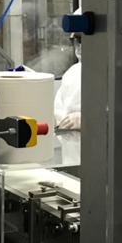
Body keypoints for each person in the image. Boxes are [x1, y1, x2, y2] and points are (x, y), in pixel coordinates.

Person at [53, 18, 82, 166]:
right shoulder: (72, 73)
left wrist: (85, 119)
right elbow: (58, 107)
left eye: (82, 40)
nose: (79, 47)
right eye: (76, 41)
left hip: (99, 150)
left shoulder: (113, 73)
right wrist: (60, 119)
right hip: (71, 153)